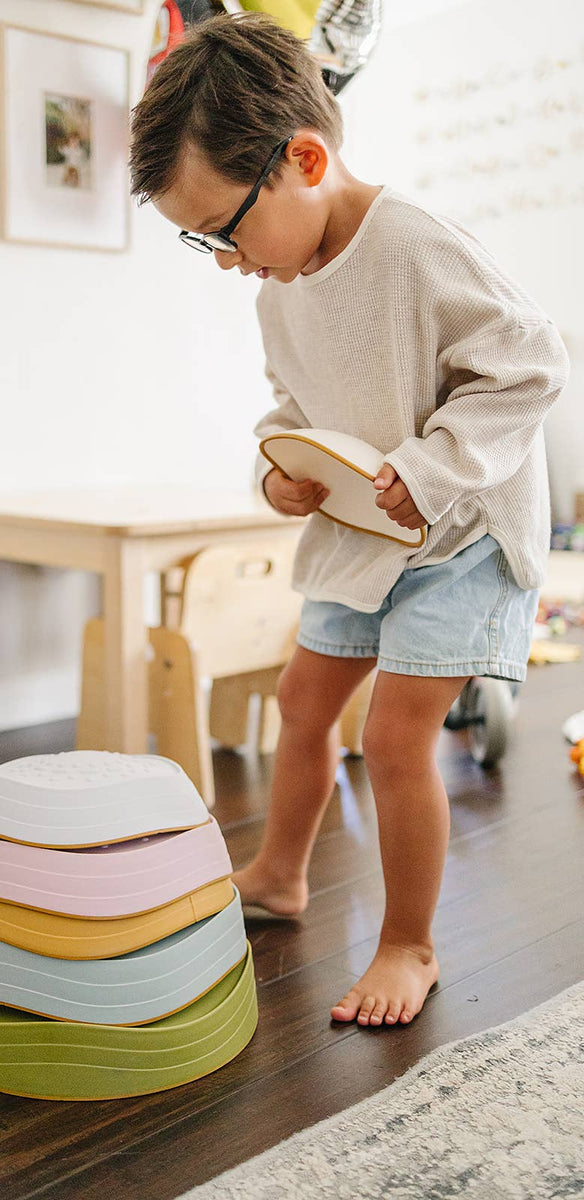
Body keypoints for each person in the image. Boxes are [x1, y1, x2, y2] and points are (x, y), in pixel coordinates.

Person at [128, 13, 569, 1027]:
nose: (226, 262)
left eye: (226, 230)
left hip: (458, 539)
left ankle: (408, 944)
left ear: (303, 159)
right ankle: (280, 876)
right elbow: (294, 407)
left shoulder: (414, 245)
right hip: (362, 536)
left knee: (398, 735)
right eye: (203, 241)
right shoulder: (279, 286)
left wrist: (429, 467)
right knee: (300, 700)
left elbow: (530, 364)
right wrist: (273, 469)